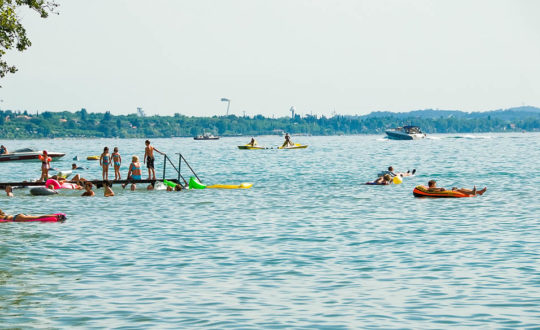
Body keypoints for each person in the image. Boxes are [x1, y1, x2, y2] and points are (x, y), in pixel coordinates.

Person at [0, 209, 66, 222]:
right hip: (16, 217)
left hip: (17, 218)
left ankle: (57, 216)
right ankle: (56, 216)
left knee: (37, 218)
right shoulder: (2, 214)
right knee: (37, 218)